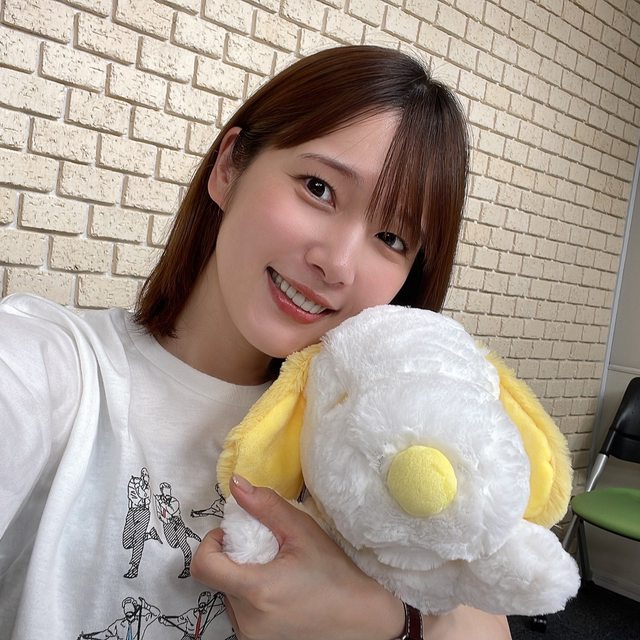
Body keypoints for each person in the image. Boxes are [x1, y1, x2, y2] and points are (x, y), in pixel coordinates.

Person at [0, 45, 511, 639]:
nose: (337, 264)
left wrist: (383, 619)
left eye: (392, 237)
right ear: (228, 168)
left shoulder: (375, 434)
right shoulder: (54, 367)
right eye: (318, 188)